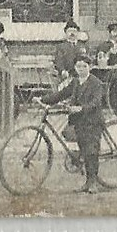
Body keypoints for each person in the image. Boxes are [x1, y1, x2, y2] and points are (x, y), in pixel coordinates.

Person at [40, 52, 108, 194]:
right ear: (75, 68)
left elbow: (96, 102)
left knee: (91, 151)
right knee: (82, 147)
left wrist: (81, 108)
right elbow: (61, 94)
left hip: (92, 120)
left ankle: (93, 183)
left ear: (89, 67)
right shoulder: (75, 82)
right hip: (79, 120)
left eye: (84, 66)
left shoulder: (96, 82)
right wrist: (43, 99)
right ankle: (87, 182)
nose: (81, 69)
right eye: (78, 66)